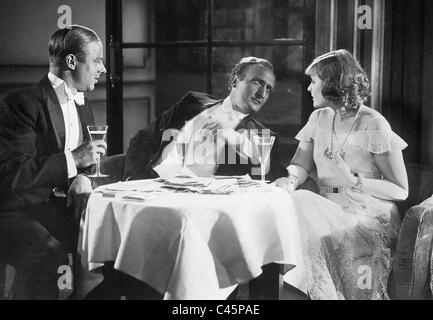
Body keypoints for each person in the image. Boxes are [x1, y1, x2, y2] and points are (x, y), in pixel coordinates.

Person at [274, 49, 408, 299]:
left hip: (365, 216)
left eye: (313, 81)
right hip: (326, 210)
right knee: (295, 200)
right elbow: (300, 165)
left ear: (333, 83)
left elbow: (400, 190)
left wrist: (353, 180)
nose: (308, 88)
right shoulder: (318, 118)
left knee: (301, 202)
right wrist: (290, 181)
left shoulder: (373, 123)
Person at [0, 25, 107, 299]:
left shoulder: (84, 104)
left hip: (60, 208)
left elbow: (88, 161)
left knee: (114, 245)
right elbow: (14, 174)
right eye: (97, 60)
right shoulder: (21, 103)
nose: (103, 69)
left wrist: (84, 176)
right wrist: (73, 159)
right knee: (49, 255)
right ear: (72, 62)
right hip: (19, 211)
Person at [124, 56, 287, 181]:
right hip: (151, 185)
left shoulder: (264, 137)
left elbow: (275, 179)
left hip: (198, 206)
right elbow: (142, 140)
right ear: (235, 80)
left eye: (269, 89)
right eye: (258, 82)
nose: (263, 93)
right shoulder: (192, 102)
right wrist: (135, 181)